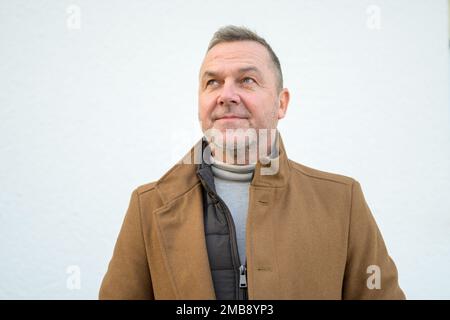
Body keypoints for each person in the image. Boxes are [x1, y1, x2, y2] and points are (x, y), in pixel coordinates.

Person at [99, 25, 406, 300]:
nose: (226, 95)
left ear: (281, 103)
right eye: (213, 83)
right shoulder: (147, 207)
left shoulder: (342, 201)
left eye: (246, 80)